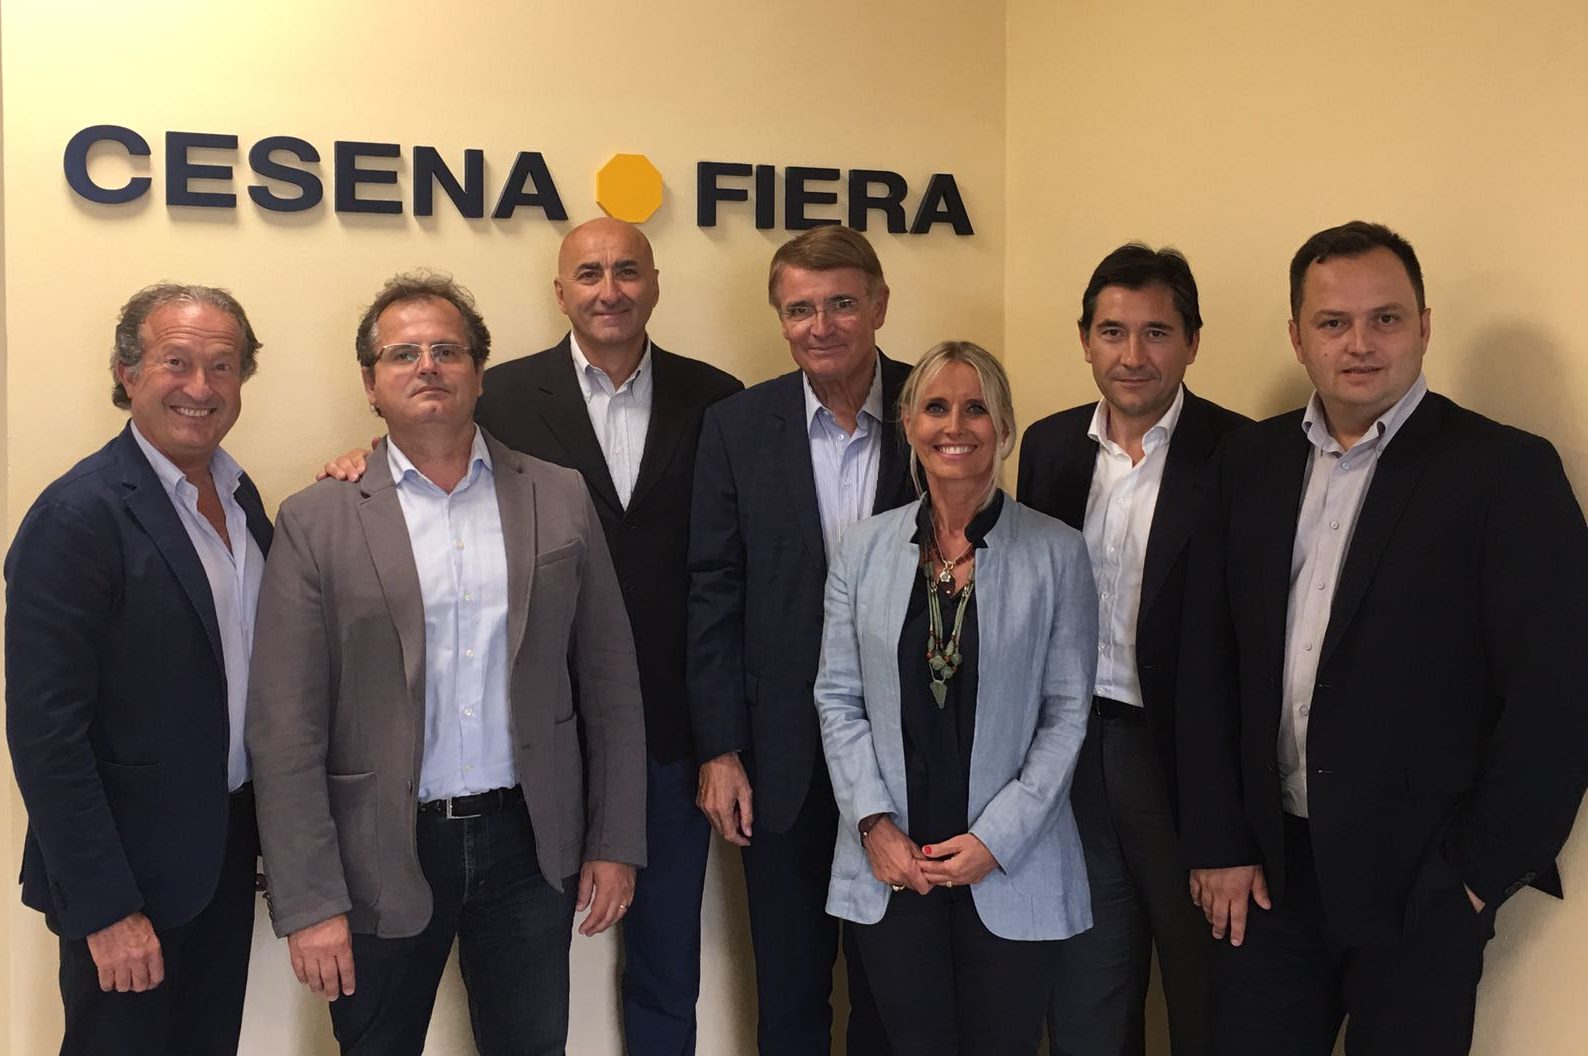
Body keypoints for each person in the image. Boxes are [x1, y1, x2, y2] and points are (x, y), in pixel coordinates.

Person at [322, 218, 743, 1055]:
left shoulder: (717, 399)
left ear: (655, 283)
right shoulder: (500, 393)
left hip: (665, 728)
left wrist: (722, 740)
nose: (609, 289)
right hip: (521, 743)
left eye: (627, 270)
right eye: (588, 273)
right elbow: (425, 457)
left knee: (665, 962)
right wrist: (358, 467)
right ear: (560, 292)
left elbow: (729, 570)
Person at [1177, 221, 1588, 1055]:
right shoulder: (1247, 463)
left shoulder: (1506, 472)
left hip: (1421, 886)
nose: (1359, 344)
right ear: (1298, 337)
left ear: (1424, 326)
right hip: (1265, 880)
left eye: (1386, 319)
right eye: (1333, 322)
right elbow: (1207, 663)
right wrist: (1218, 841)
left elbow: (1559, 694)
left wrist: (1474, 877)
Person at [247, 272, 646, 1055]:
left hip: (530, 845)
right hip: (378, 850)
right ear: (371, 384)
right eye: (403, 354)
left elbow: (610, 684)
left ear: (478, 372)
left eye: (446, 350)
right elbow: (284, 726)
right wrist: (309, 900)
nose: (427, 365)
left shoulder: (559, 496)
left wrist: (614, 840)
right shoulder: (316, 518)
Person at [5, 283, 269, 1055]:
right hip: (128, 880)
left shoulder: (241, 497)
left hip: (221, 858)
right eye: (176, 362)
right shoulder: (78, 515)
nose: (201, 387)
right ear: (127, 372)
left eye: (223, 365)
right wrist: (105, 909)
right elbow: (46, 735)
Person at [814, 340, 1097, 1055]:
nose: (955, 426)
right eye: (936, 407)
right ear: (909, 423)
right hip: (896, 862)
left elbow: (1066, 714)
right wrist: (873, 825)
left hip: (1009, 860)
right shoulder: (861, 550)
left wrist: (995, 841)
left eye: (976, 409)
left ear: (1003, 426)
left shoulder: (1058, 552)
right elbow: (838, 697)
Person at [1017, 243, 1248, 1055]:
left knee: (1205, 998)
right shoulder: (1048, 447)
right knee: (1086, 1001)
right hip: (1074, 755)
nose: (1132, 355)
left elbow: (1252, 649)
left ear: (1192, 342)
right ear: (1084, 339)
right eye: (1112, 332)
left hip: (1183, 768)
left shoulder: (1243, 456)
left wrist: (1230, 834)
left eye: (1157, 332)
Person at [688, 224, 905, 1054]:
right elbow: (713, 591)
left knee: (897, 988)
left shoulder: (937, 405)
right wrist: (720, 749)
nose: (822, 326)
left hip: (907, 754)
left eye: (841, 303)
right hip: (781, 759)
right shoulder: (737, 426)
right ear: (780, 320)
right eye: (800, 309)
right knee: (790, 987)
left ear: (879, 305)